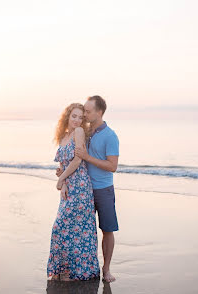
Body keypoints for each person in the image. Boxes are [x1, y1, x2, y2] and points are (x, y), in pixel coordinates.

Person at [47, 103, 100, 281]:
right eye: (74, 116)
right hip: (69, 186)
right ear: (67, 117)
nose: (77, 120)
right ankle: (63, 270)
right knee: (64, 228)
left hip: (81, 187)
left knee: (70, 228)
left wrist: (62, 179)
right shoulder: (64, 136)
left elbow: (78, 160)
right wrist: (62, 179)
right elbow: (63, 164)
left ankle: (75, 271)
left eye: (80, 117)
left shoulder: (79, 133)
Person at [75, 95, 120, 283]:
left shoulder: (110, 135)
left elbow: (112, 166)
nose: (85, 114)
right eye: (84, 110)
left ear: (99, 112)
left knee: (107, 230)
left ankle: (106, 269)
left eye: (88, 111)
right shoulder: (83, 132)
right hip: (83, 189)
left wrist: (86, 156)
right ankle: (84, 266)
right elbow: (76, 157)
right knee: (82, 230)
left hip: (103, 190)